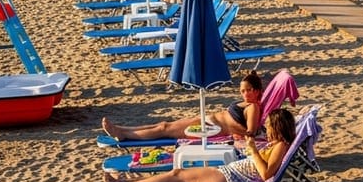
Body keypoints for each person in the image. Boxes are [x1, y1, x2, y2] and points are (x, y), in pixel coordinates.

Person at [103, 107, 296, 182]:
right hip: (230, 172)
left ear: (278, 127)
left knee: (177, 175)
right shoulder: (277, 145)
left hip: (230, 179)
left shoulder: (281, 145)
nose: (267, 129)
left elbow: (265, 174)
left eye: (269, 126)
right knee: (176, 174)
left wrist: (253, 150)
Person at [101, 71, 265, 141]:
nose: (245, 94)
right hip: (206, 121)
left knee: (165, 129)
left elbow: (250, 132)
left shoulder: (253, 108)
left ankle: (126, 134)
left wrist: (233, 130)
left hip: (210, 128)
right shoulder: (246, 103)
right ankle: (123, 130)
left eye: (249, 90)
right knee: (163, 124)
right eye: (242, 91)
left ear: (257, 91)